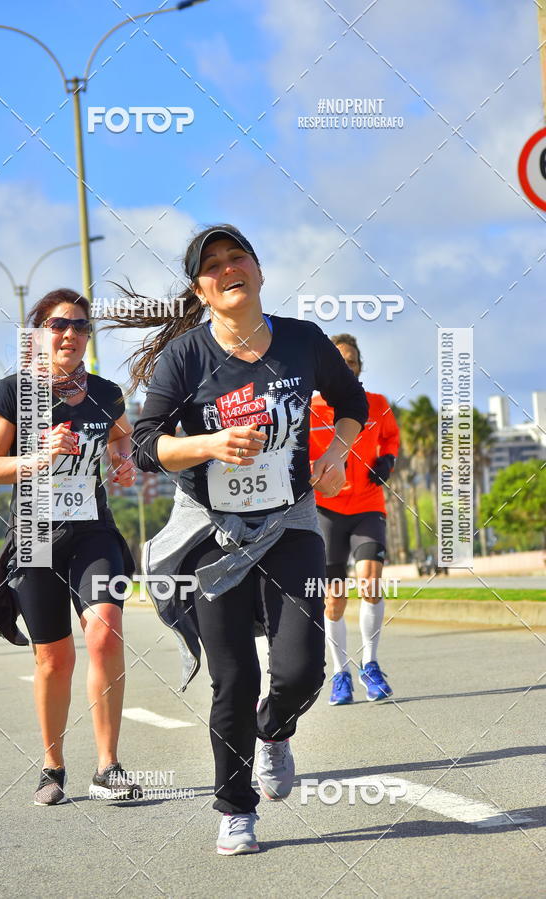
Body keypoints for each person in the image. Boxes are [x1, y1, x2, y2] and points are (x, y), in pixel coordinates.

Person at [125, 224, 368, 854]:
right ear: (201, 290)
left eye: (238, 257)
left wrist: (337, 452)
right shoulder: (187, 358)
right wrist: (208, 444)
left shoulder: (302, 341)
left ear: (258, 270)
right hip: (214, 534)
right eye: (213, 266)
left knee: (301, 669)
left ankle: (275, 728)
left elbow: (352, 401)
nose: (228, 269)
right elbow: (148, 445)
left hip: (290, 522)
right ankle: (235, 806)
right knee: (233, 677)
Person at [0, 288, 140, 806]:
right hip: (36, 532)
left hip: (92, 528)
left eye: (79, 325)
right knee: (53, 658)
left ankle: (109, 767)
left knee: (106, 633)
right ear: (38, 334)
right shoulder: (13, 392)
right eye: (57, 325)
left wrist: (122, 459)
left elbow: (121, 439)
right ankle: (53, 767)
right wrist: (37, 456)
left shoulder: (106, 392)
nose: (69, 333)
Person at [309, 334, 400, 705]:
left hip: (367, 504)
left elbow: (390, 438)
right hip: (326, 509)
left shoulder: (376, 405)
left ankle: (371, 665)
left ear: (360, 366)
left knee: (371, 581)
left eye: (351, 361)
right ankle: (340, 673)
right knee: (333, 598)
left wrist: (387, 460)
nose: (346, 367)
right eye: (338, 361)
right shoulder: (309, 410)